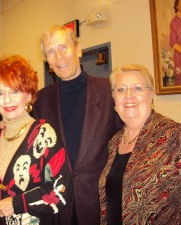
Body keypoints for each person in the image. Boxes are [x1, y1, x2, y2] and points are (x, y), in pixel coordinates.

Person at [32, 25, 122, 225]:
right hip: (56, 205)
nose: (59, 57)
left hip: (97, 202)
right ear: (47, 60)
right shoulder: (41, 100)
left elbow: (126, 140)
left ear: (78, 49)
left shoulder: (109, 91)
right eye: (51, 52)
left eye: (63, 47)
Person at [0, 55, 72, 225]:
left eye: (14, 91)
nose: (7, 100)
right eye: (0, 93)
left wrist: (17, 203)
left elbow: (61, 190)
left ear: (29, 95)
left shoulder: (43, 135)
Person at [99, 64, 181, 224]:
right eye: (121, 90)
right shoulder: (115, 142)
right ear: (114, 97)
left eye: (137, 88)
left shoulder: (176, 135)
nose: (128, 96)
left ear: (151, 94)